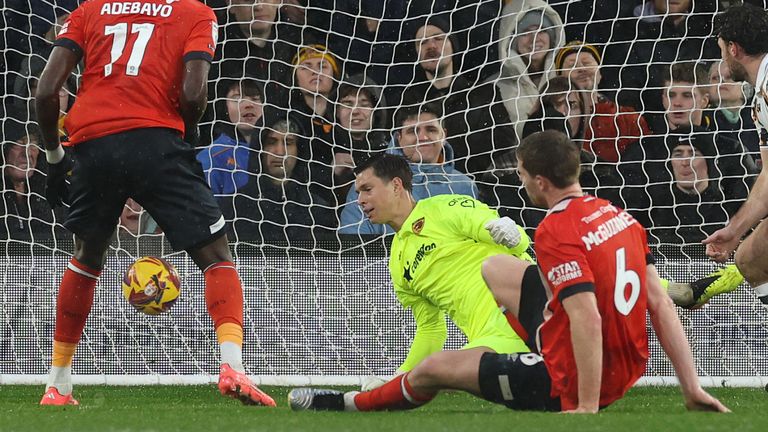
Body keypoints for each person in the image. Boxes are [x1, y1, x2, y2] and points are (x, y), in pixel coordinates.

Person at [287, 132, 731, 413]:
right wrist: (399, 372)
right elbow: (429, 328)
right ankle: (402, 384)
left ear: (397, 186)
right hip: (604, 351)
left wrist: (516, 236)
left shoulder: (448, 207)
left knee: (438, 367)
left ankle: (344, 404)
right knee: (491, 272)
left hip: (563, 364)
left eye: (366, 189)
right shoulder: (618, 215)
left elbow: (503, 234)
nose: (361, 199)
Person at [34, 0, 275, 406]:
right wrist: (183, 138)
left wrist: (56, 159)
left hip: (94, 144)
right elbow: (193, 92)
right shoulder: (194, 12)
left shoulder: (90, 10)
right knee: (216, 255)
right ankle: (232, 367)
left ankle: (57, 384)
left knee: (87, 257)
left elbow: (45, 91)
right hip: (157, 141)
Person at [704, 4, 768, 306]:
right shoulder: (760, 98)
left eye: (720, 50)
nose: (722, 58)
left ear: (734, 48)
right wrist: (734, 230)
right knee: (751, 257)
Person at [339, 104, 477, 235]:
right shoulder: (367, 183)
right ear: (399, 138)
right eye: (413, 131)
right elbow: (354, 246)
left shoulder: (464, 186)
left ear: (444, 135)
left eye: (431, 130)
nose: (423, 138)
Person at [221, 118, 337, 241]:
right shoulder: (232, 206)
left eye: (288, 142)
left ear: (299, 150)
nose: (280, 152)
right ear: (259, 148)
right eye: (271, 142)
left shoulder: (317, 209)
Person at [197, 78, 264, 196]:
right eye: (237, 98)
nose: (248, 104)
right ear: (225, 107)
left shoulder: (277, 150)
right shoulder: (211, 157)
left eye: (255, 98)